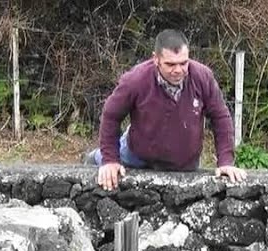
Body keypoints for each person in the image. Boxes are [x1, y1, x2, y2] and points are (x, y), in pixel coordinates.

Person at [83, 29, 247, 190]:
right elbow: (111, 114)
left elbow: (221, 117)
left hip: (184, 163)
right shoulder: (135, 79)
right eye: (170, 64)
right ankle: (95, 157)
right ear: (156, 59)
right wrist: (110, 160)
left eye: (183, 63)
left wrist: (226, 162)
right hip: (137, 154)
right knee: (104, 159)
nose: (178, 70)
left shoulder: (203, 77)